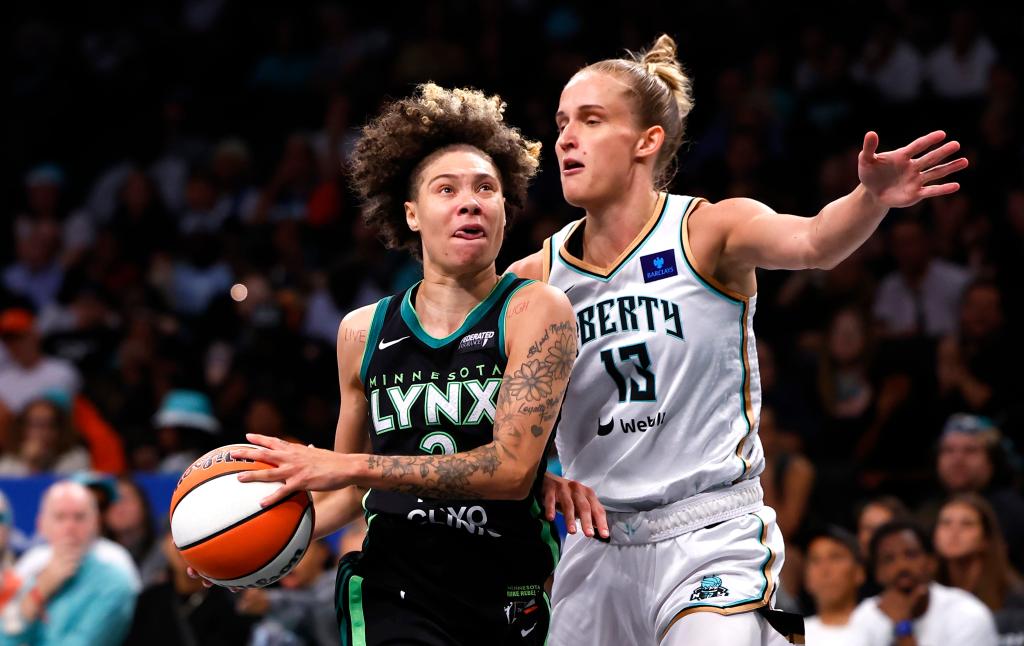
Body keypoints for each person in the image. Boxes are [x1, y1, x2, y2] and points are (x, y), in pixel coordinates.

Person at [505, 33, 967, 645]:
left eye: (591, 121)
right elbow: (479, 403)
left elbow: (814, 242)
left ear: (648, 141)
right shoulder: (534, 277)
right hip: (595, 544)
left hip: (708, 535)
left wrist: (868, 199)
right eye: (563, 121)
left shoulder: (708, 230)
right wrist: (536, 475)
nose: (565, 137)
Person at [226, 83, 581, 645]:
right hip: (395, 587)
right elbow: (344, 492)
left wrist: (351, 468)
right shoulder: (361, 331)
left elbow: (511, 474)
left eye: (486, 188)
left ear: (505, 213)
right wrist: (237, 546)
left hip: (510, 590)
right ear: (411, 214)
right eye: (447, 189)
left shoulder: (537, 309)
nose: (470, 201)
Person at [0, 481, 138, 646]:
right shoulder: (32, 567)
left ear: (96, 523)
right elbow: (5, 637)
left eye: (79, 517)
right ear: (41, 525)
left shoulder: (115, 580)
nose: (70, 527)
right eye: (60, 517)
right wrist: (39, 592)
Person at [850, 519, 997, 645]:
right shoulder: (864, 617)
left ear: (932, 562)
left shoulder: (967, 614)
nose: (902, 566)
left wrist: (903, 627)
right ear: (877, 573)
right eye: (889, 559)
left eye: (911, 555)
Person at [933, 494, 1024, 641]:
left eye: (967, 524)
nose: (954, 532)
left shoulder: (1015, 598)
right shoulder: (925, 592)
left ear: (985, 539)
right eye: (945, 523)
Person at [803, 526, 869, 646]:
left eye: (835, 557)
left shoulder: (880, 627)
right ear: (807, 580)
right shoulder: (787, 638)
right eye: (815, 560)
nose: (824, 570)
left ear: (859, 572)